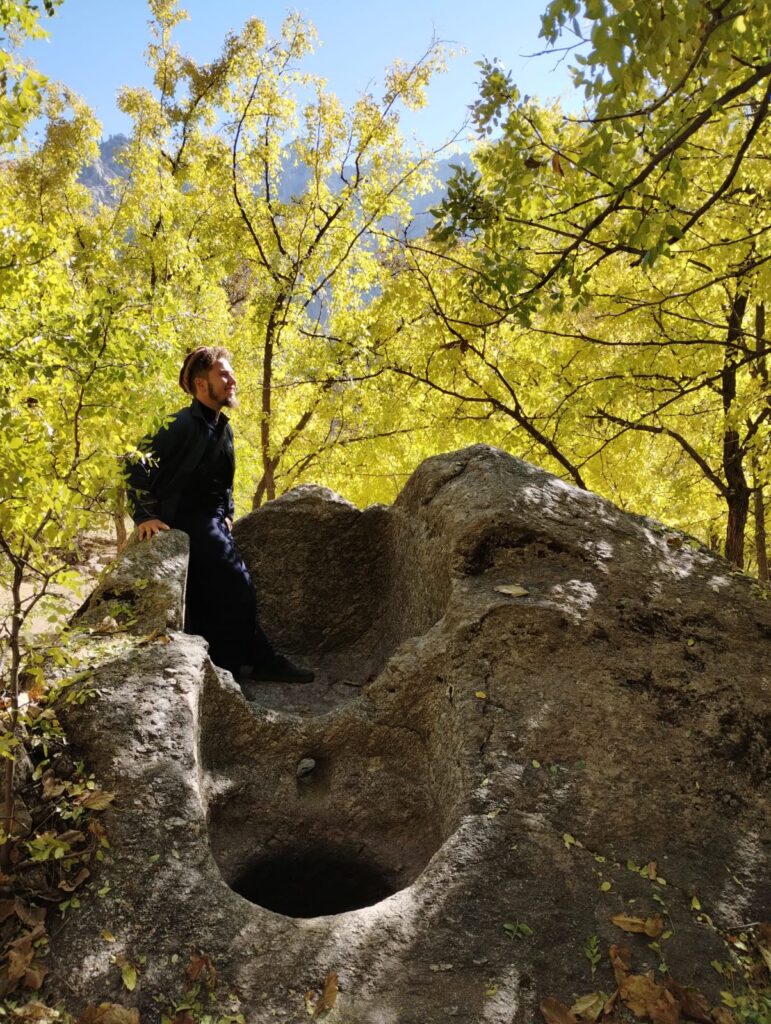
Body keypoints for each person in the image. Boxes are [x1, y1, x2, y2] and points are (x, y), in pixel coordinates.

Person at [125, 346, 314, 686]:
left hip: (213, 522)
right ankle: (233, 671)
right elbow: (133, 461)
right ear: (201, 384)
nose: (233, 380)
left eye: (231, 373)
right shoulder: (180, 423)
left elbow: (224, 483)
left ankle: (250, 659)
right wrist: (144, 516)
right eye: (223, 375)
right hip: (185, 518)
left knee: (217, 593)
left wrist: (228, 513)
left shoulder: (223, 429)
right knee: (238, 584)